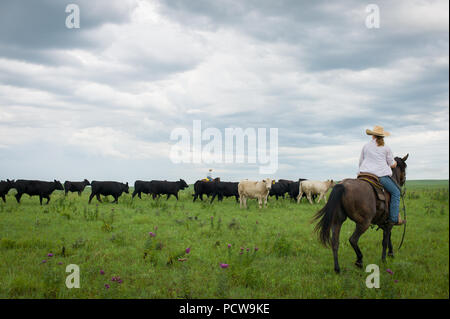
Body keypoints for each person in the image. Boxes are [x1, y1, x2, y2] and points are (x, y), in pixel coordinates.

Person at [358, 125, 406, 226]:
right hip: (379, 176)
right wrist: (395, 164)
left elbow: (361, 161)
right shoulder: (386, 148)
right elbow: (392, 164)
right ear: (382, 136)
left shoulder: (365, 146)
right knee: (396, 192)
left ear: (373, 136)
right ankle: (393, 219)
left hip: (364, 174)